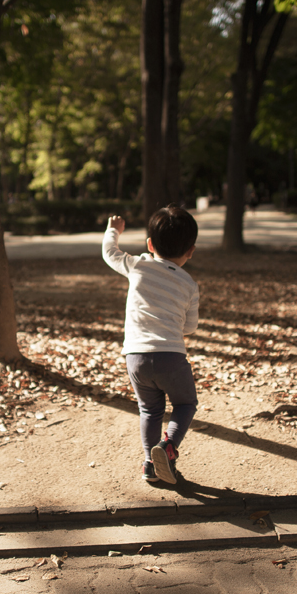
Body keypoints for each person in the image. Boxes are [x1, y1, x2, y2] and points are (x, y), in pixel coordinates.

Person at [102, 205, 200, 485]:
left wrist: (113, 230)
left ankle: (149, 464)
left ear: (150, 245)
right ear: (191, 251)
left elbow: (109, 253)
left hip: (136, 358)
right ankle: (168, 447)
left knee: (150, 410)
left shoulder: (138, 265)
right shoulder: (189, 285)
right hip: (171, 357)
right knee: (185, 403)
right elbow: (190, 327)